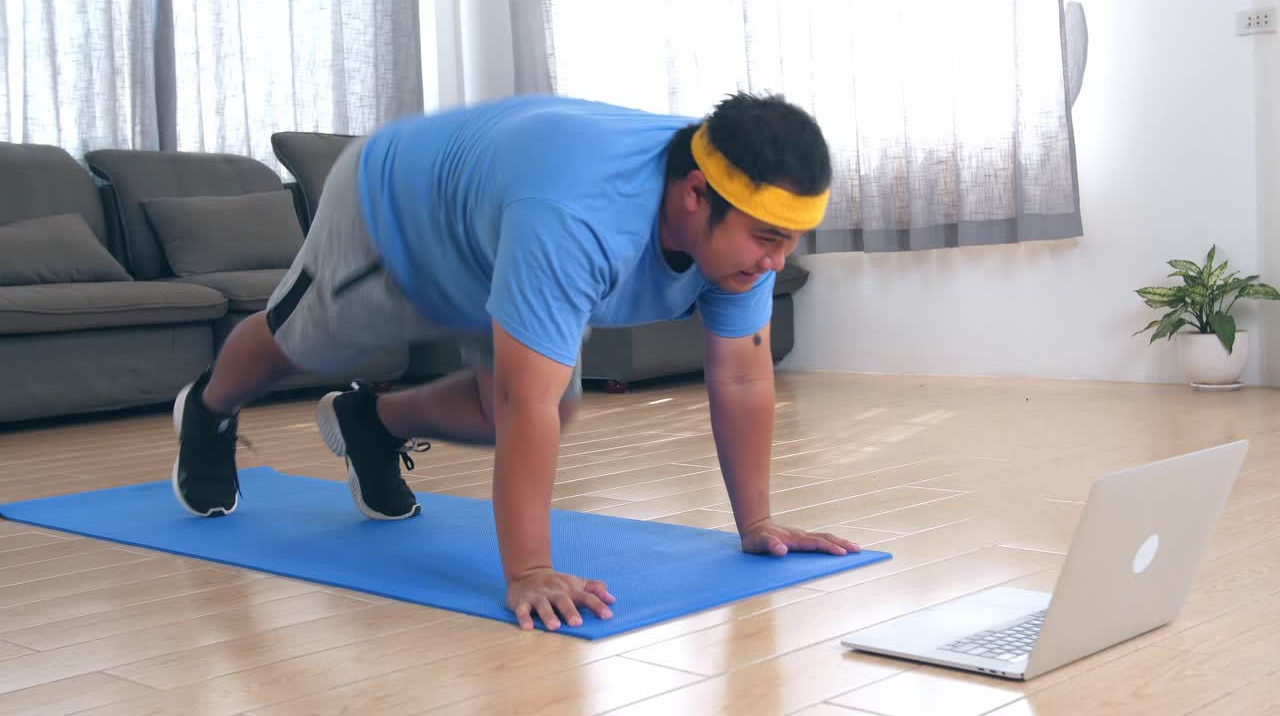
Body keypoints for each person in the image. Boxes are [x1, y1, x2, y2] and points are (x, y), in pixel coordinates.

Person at [171, 91, 861, 632]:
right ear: (693, 195)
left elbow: (741, 374)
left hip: (502, 219)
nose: (778, 262)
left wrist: (757, 525)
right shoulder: (579, 218)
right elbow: (518, 403)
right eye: (768, 240)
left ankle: (370, 422)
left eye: (791, 241)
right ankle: (207, 409)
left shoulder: (742, 214)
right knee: (299, 346)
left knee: (552, 405)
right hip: (398, 214)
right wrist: (529, 570)